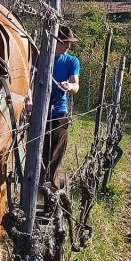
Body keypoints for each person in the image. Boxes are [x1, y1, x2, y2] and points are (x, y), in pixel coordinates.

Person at [43, 24, 80, 187]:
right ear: (55, 41)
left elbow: (75, 85)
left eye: (70, 42)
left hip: (58, 112)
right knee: (39, 152)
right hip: (38, 113)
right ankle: (35, 184)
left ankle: (49, 185)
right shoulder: (41, 58)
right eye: (65, 42)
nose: (68, 45)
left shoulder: (72, 61)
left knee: (57, 146)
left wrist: (69, 86)